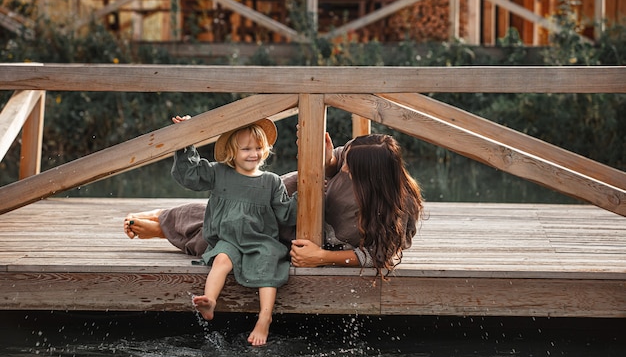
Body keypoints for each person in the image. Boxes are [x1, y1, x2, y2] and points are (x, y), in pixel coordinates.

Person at [124, 132, 425, 277]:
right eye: (346, 160)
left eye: (350, 168)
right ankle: (163, 221)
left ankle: (162, 225)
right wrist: (327, 158)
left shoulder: (401, 208)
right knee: (237, 217)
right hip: (297, 197)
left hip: (315, 233)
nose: (345, 166)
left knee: (235, 241)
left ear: (372, 178)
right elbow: (334, 166)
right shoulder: (356, 153)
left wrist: (322, 257)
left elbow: (379, 256)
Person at [169, 115, 298, 346]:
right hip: (228, 239)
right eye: (246, 148)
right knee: (222, 259)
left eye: (258, 148)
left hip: (261, 240)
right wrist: (184, 139)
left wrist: (306, 195)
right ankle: (209, 301)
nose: (253, 153)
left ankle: (265, 318)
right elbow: (190, 175)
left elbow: (286, 213)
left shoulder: (271, 181)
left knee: (268, 261)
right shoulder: (219, 173)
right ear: (231, 151)